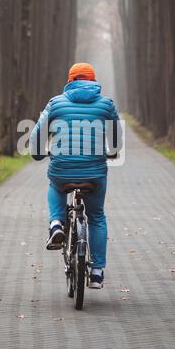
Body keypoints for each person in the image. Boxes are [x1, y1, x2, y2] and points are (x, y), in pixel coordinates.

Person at [30, 63, 122, 289]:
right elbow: (117, 141)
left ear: (70, 81)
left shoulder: (55, 103)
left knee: (55, 183)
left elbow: (37, 136)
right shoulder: (106, 104)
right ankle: (97, 272)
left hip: (63, 169)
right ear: (93, 81)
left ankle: (56, 225)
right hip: (95, 173)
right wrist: (111, 151)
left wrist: (39, 152)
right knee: (97, 216)